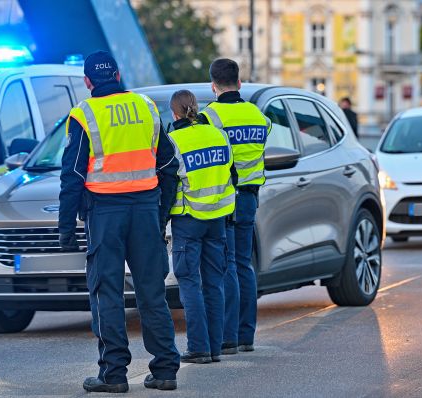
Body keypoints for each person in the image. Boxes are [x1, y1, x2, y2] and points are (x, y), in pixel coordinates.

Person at [58, 51, 180, 393]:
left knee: (107, 293)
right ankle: (166, 370)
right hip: (144, 211)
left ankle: (113, 375)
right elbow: (169, 166)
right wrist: (160, 215)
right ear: (118, 74)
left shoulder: (83, 115)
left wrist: (66, 226)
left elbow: (73, 176)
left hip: (105, 216)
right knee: (152, 294)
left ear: (87, 81)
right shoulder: (146, 107)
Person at [199, 58, 271, 355]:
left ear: (212, 85)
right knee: (244, 264)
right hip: (249, 198)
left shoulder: (210, 117)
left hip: (223, 199)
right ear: (239, 83)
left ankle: (227, 337)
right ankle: (246, 336)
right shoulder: (257, 115)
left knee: (225, 265)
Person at [166, 90, 236, 364]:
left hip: (188, 220)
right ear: (196, 108)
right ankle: (215, 347)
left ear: (174, 114)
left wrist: (160, 222)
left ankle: (198, 347)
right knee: (213, 282)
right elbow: (233, 175)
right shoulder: (218, 135)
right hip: (217, 219)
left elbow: (169, 185)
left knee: (190, 283)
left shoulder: (174, 141)